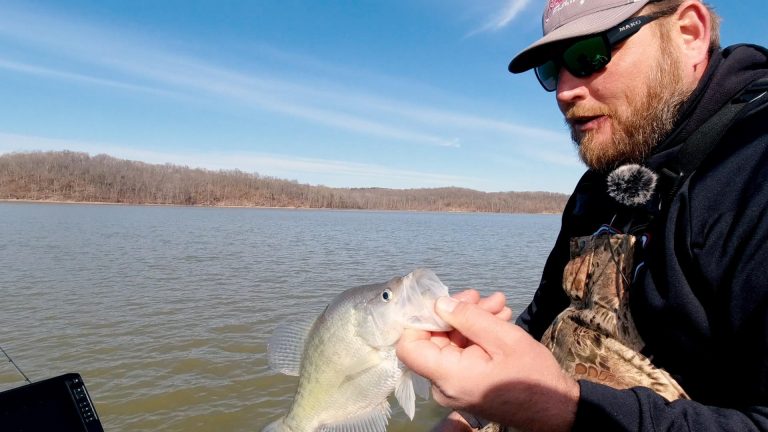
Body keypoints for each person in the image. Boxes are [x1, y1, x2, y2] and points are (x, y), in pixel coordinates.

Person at [396, 0, 768, 430]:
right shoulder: (604, 177)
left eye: (589, 56)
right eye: (553, 69)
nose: (564, 91)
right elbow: (546, 313)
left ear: (688, 32)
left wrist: (557, 407)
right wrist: (471, 411)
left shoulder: (754, 174)